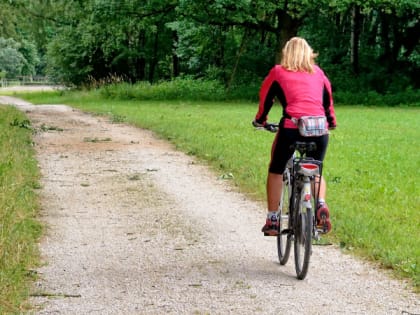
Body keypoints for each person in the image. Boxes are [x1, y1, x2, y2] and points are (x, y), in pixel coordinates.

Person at [252, 37, 337, 236]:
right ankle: (320, 204)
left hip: (292, 128)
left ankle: (273, 219)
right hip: (319, 129)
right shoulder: (319, 74)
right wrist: (330, 123)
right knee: (315, 168)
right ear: (309, 54)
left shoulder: (278, 72)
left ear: (286, 53)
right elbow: (328, 103)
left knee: (276, 169)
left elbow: (265, 99)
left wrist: (260, 120)